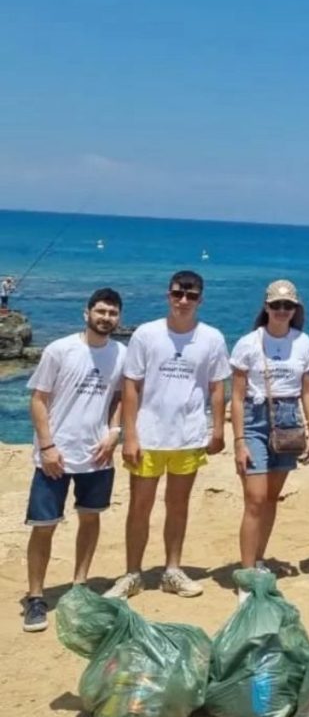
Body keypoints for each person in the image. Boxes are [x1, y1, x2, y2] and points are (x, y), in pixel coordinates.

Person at [106, 271, 230, 599]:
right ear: (168, 295)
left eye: (191, 296)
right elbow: (131, 386)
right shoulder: (147, 334)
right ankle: (133, 573)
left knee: (178, 505)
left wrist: (218, 429)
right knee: (140, 506)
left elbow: (217, 386)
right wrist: (129, 435)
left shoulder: (212, 338)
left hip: (189, 435)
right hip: (148, 435)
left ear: (200, 299)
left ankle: (172, 570)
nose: (183, 301)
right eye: (178, 294)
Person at [22, 288, 126, 632]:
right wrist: (47, 446)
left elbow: (119, 397)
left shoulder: (121, 354)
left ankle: (80, 586)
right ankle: (36, 597)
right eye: (101, 311)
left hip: (97, 455)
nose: (106, 318)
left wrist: (114, 432)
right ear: (87, 313)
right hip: (56, 455)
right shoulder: (60, 350)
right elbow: (39, 400)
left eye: (112, 313)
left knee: (90, 519)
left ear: (118, 318)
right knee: (44, 526)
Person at [229, 281, 309, 599]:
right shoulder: (249, 343)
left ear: (295, 309)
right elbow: (237, 396)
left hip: (289, 420)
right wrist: (239, 440)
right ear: (266, 307)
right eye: (276, 305)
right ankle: (246, 575)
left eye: (287, 306)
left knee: (270, 498)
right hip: (255, 419)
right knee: (255, 498)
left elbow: (308, 388)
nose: (282, 311)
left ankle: (259, 560)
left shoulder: (303, 342)